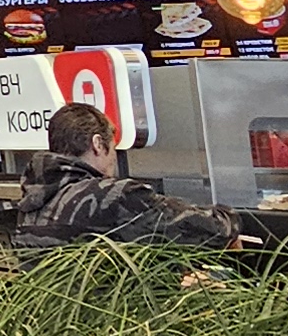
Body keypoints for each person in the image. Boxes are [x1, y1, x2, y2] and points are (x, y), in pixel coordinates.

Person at [12, 102, 238, 252]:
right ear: (98, 144)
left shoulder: (33, 200)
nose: (114, 158)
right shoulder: (112, 195)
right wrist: (230, 217)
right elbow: (212, 230)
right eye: (113, 147)